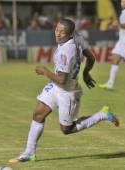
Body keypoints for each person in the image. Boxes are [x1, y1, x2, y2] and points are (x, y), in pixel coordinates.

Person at [9, 18, 119, 163]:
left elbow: (62, 79)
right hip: (56, 87)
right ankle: (29, 153)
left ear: (70, 34)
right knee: (38, 114)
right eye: (57, 30)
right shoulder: (78, 37)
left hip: (67, 92)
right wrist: (85, 73)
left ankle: (102, 115)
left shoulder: (66, 51)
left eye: (62, 32)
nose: (58, 34)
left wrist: (44, 71)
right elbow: (91, 58)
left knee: (66, 129)